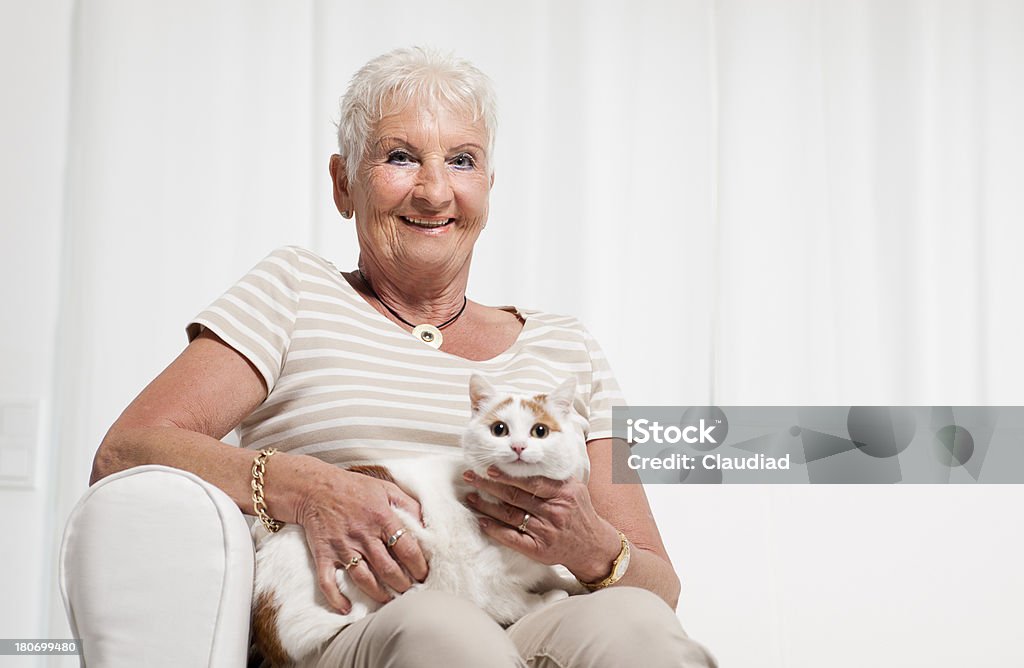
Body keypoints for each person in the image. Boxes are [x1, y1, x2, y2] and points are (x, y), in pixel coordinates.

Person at [90, 47, 717, 668]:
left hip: (529, 623)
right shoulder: (295, 291)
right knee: (441, 632)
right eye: (400, 157)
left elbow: (662, 590)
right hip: (358, 619)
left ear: (489, 187)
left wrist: (591, 548)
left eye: (463, 161)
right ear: (343, 184)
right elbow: (128, 449)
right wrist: (309, 487)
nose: (435, 190)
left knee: (638, 630)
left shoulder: (566, 343)